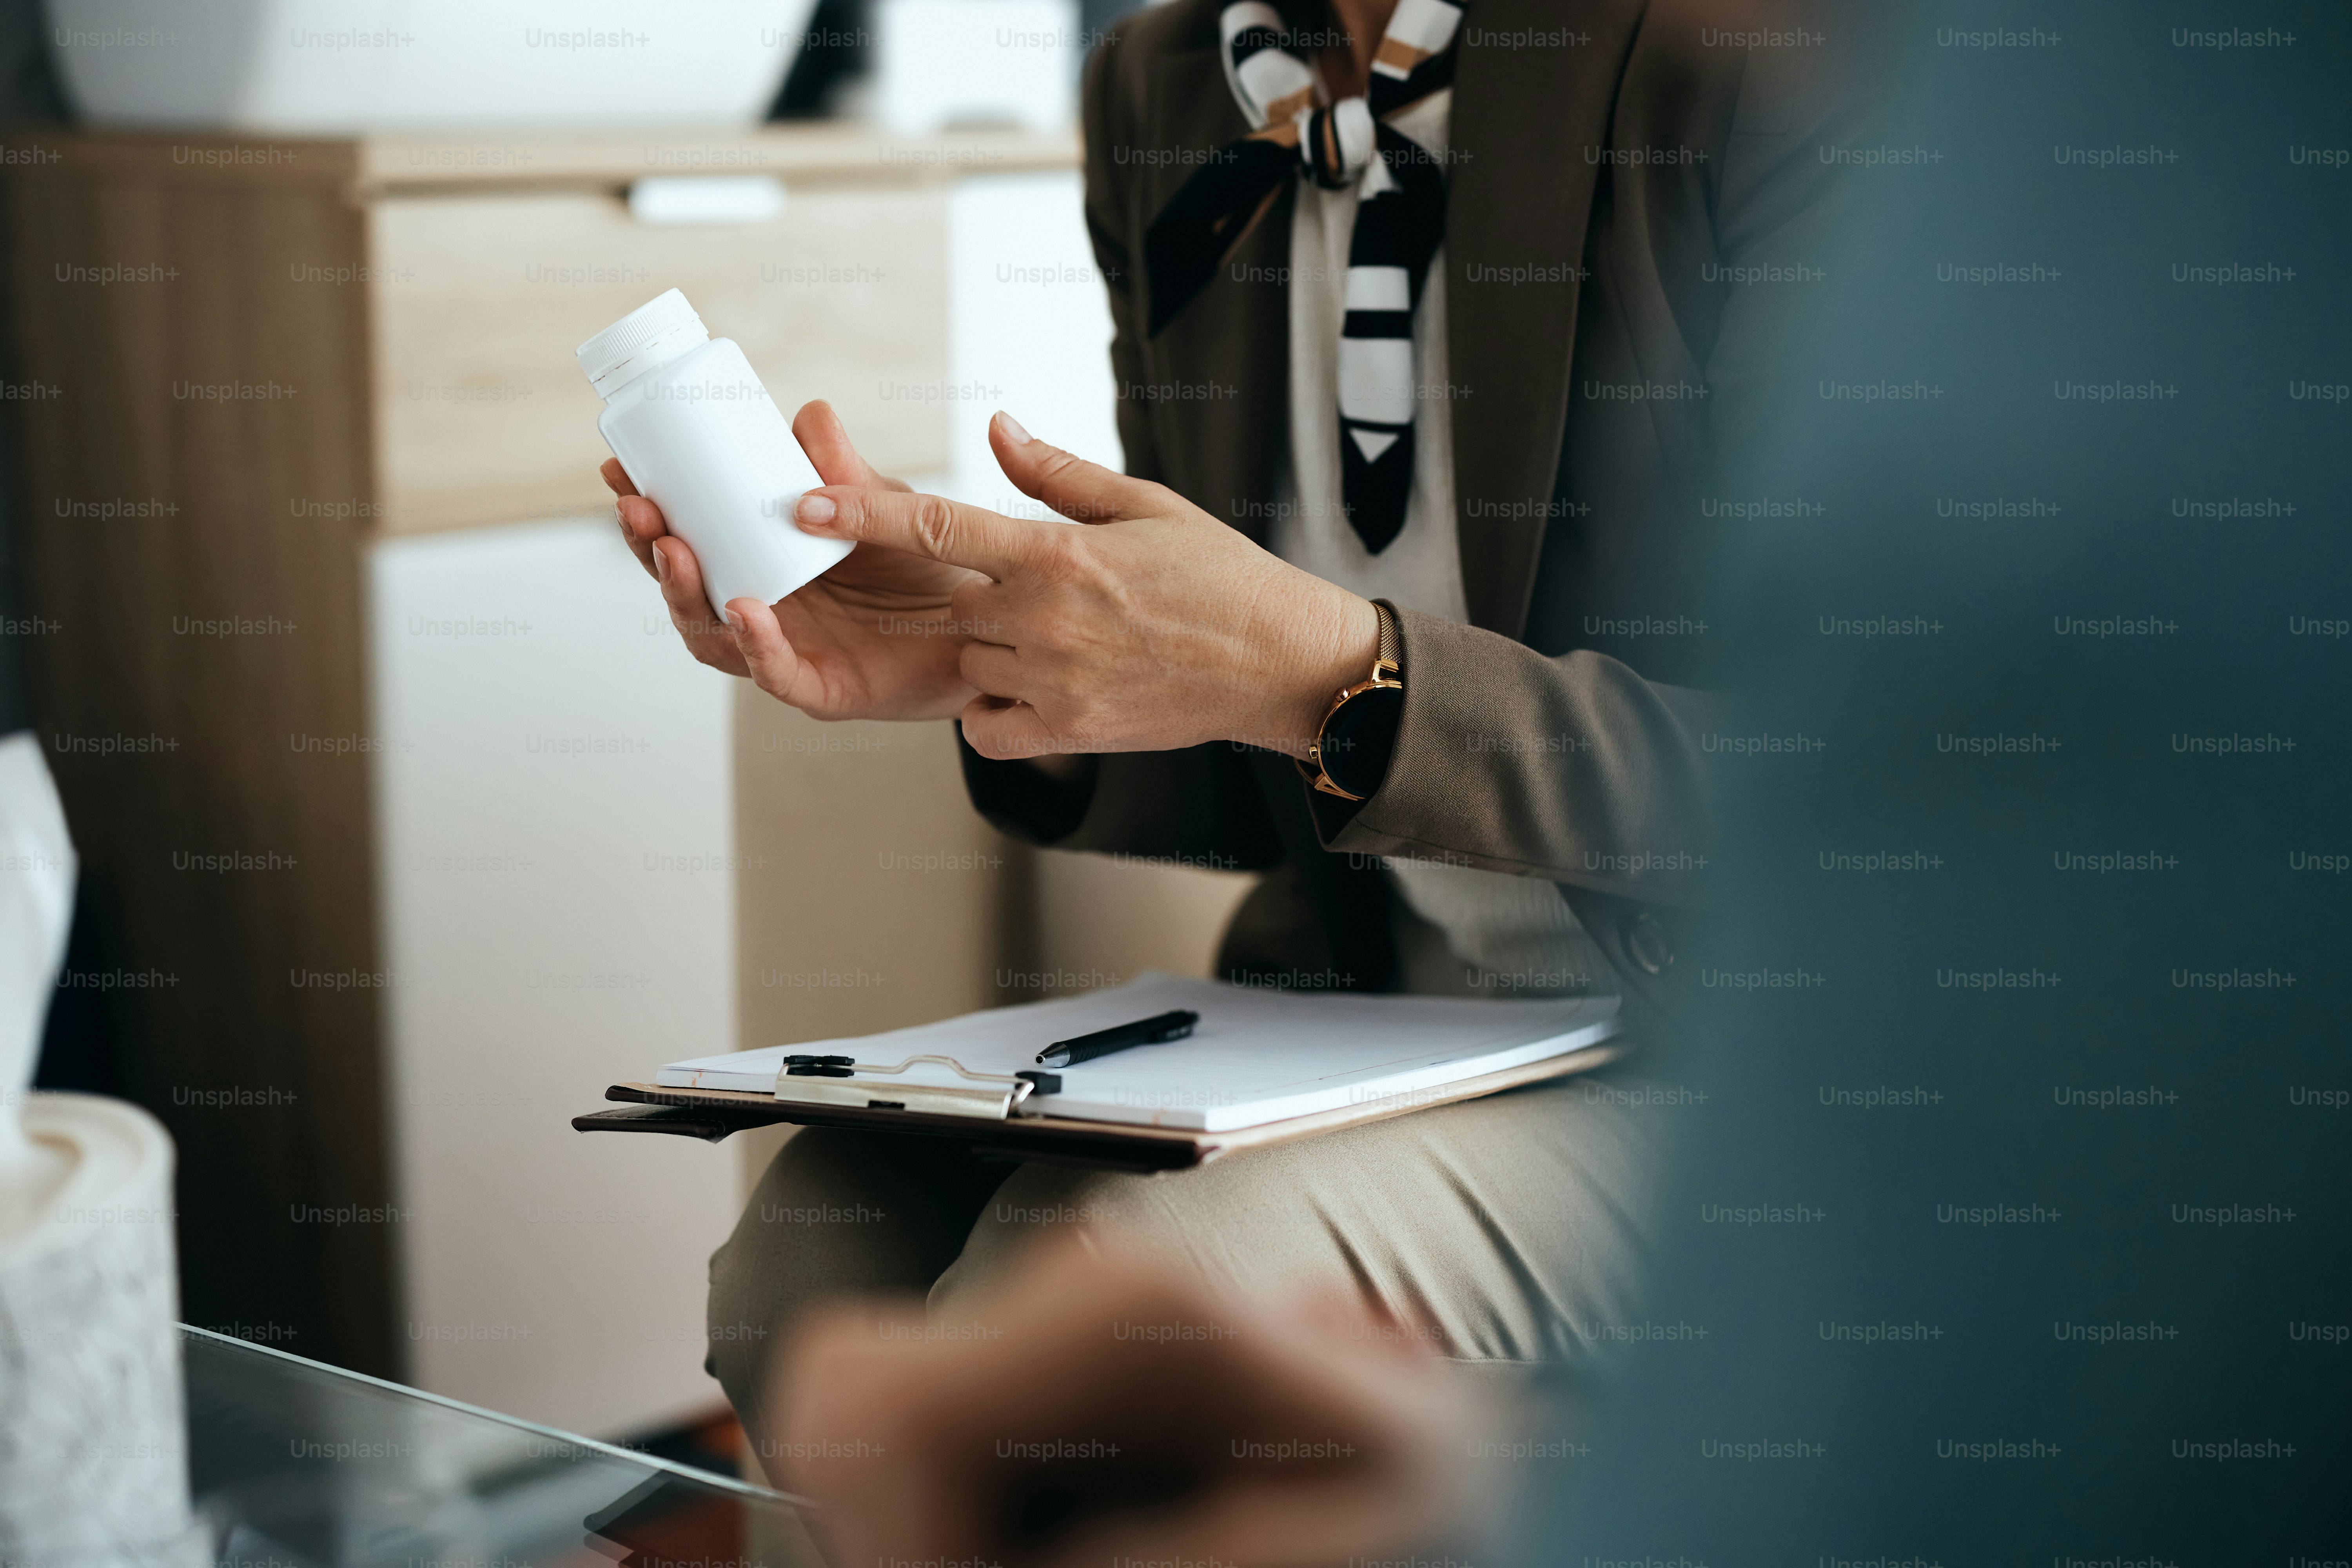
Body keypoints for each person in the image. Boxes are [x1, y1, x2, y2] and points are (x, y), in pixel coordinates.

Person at [604, 0, 1855, 1463]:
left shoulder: (1767, 51)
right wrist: (988, 649)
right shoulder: (1164, 83)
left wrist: (1329, 664)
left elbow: (1883, 791)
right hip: (1380, 1004)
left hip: (1759, 1055)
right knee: (801, 1278)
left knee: (1093, 1292)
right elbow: (1262, 728)